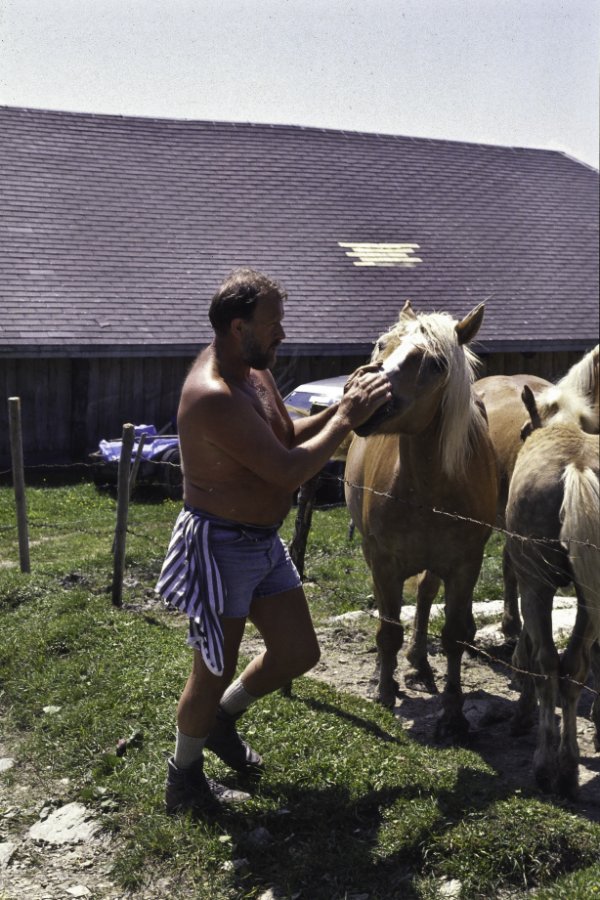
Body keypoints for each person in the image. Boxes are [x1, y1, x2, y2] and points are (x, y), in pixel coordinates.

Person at [156, 267, 392, 815]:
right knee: (212, 670)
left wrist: (341, 409)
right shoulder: (213, 395)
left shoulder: (253, 370)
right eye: (273, 324)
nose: (282, 333)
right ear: (239, 327)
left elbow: (284, 435)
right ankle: (182, 778)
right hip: (221, 547)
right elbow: (287, 471)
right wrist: (347, 419)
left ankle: (221, 721)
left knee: (297, 652)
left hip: (260, 541)